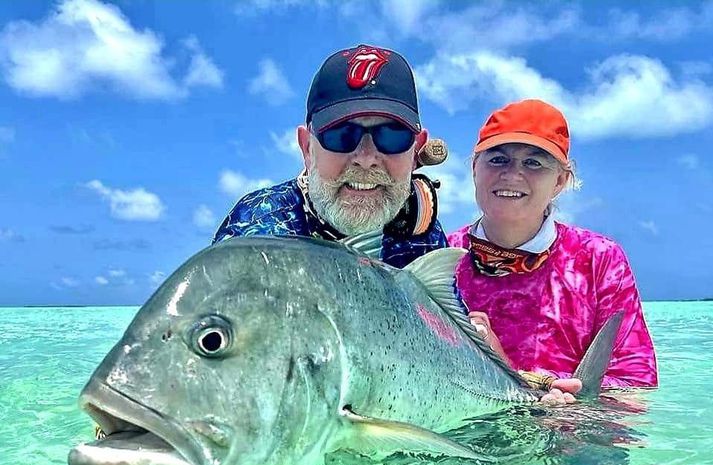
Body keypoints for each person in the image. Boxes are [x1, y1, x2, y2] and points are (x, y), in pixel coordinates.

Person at [448, 99, 658, 390]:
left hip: (567, 431)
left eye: (533, 163)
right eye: (498, 159)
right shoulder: (440, 256)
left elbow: (636, 384)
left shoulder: (599, 260)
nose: (511, 174)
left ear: (560, 180)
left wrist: (547, 391)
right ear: (474, 169)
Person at [212, 45, 448, 267]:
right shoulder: (256, 234)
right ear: (307, 148)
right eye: (341, 135)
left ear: (416, 150)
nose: (366, 159)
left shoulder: (426, 239)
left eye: (391, 136)